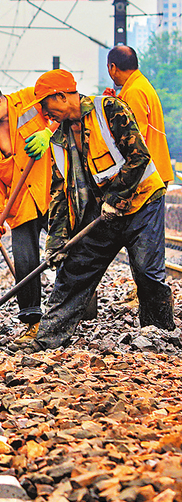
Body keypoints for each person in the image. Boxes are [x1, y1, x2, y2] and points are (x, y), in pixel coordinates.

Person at [27, 69, 174, 351]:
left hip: (143, 202)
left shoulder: (108, 110)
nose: (47, 114)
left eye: (47, 106)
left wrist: (116, 198)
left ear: (61, 96)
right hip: (104, 213)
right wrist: (57, 242)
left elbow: (139, 156)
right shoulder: (59, 140)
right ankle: (47, 339)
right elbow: (60, 194)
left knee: (147, 272)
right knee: (75, 269)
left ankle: (161, 336)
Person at [0, 79, 53, 344]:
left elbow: (65, 104)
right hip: (22, 203)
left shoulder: (28, 100)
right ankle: (32, 322)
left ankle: (80, 310)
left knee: (71, 252)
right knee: (25, 260)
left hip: (53, 192)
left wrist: (49, 130)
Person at [107, 46, 173, 187]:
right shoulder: (141, 85)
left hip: (146, 178)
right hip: (155, 172)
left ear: (113, 67)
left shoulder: (134, 92)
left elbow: (134, 140)